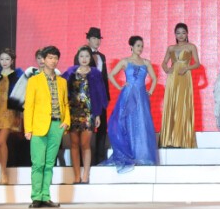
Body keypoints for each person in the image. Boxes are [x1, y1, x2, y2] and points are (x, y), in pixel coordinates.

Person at [102, 35, 159, 170]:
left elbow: (154, 78)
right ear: (131, 47)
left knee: (142, 123)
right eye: (138, 45)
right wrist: (119, 86)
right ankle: (130, 154)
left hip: (141, 96)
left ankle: (142, 155)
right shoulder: (125, 61)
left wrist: (150, 91)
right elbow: (111, 75)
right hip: (128, 95)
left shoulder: (146, 62)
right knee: (127, 122)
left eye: (142, 46)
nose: (140, 48)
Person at [24, 46, 70, 209]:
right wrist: (28, 128)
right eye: (50, 57)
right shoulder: (34, 80)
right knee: (38, 163)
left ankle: (45, 196)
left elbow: (65, 103)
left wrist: (66, 121)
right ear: (43, 60)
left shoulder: (62, 81)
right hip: (38, 126)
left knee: (50, 164)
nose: (53, 61)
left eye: (55, 58)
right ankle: (36, 197)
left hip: (57, 125)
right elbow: (29, 106)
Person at [62, 46, 108, 184]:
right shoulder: (70, 71)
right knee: (74, 144)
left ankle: (86, 174)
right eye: (81, 56)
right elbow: (61, 86)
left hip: (89, 113)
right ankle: (77, 175)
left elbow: (100, 94)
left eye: (87, 56)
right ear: (78, 57)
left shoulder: (95, 73)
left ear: (90, 58)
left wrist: (98, 114)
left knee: (85, 144)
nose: (84, 59)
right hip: (72, 113)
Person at [160, 23, 200, 148]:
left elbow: (197, 63)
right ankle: (170, 139)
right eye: (178, 33)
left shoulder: (191, 46)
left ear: (187, 33)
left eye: (183, 32)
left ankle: (182, 139)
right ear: (175, 35)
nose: (181, 35)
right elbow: (164, 63)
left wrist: (187, 68)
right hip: (172, 78)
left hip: (184, 76)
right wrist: (167, 69)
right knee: (172, 104)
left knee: (182, 105)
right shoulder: (171, 48)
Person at [0, 48, 23, 185]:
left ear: (12, 60)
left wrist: (19, 113)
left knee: (1, 140)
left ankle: (4, 174)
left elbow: (19, 95)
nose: (4, 62)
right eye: (2, 59)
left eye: (7, 59)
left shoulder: (17, 76)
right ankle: (1, 173)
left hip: (9, 110)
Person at [85, 27, 111, 164]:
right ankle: (86, 160)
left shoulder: (102, 56)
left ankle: (100, 158)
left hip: (101, 96)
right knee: (87, 126)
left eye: (98, 39)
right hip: (88, 95)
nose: (97, 41)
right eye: (94, 38)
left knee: (102, 127)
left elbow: (104, 77)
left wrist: (106, 96)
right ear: (88, 39)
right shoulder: (83, 54)